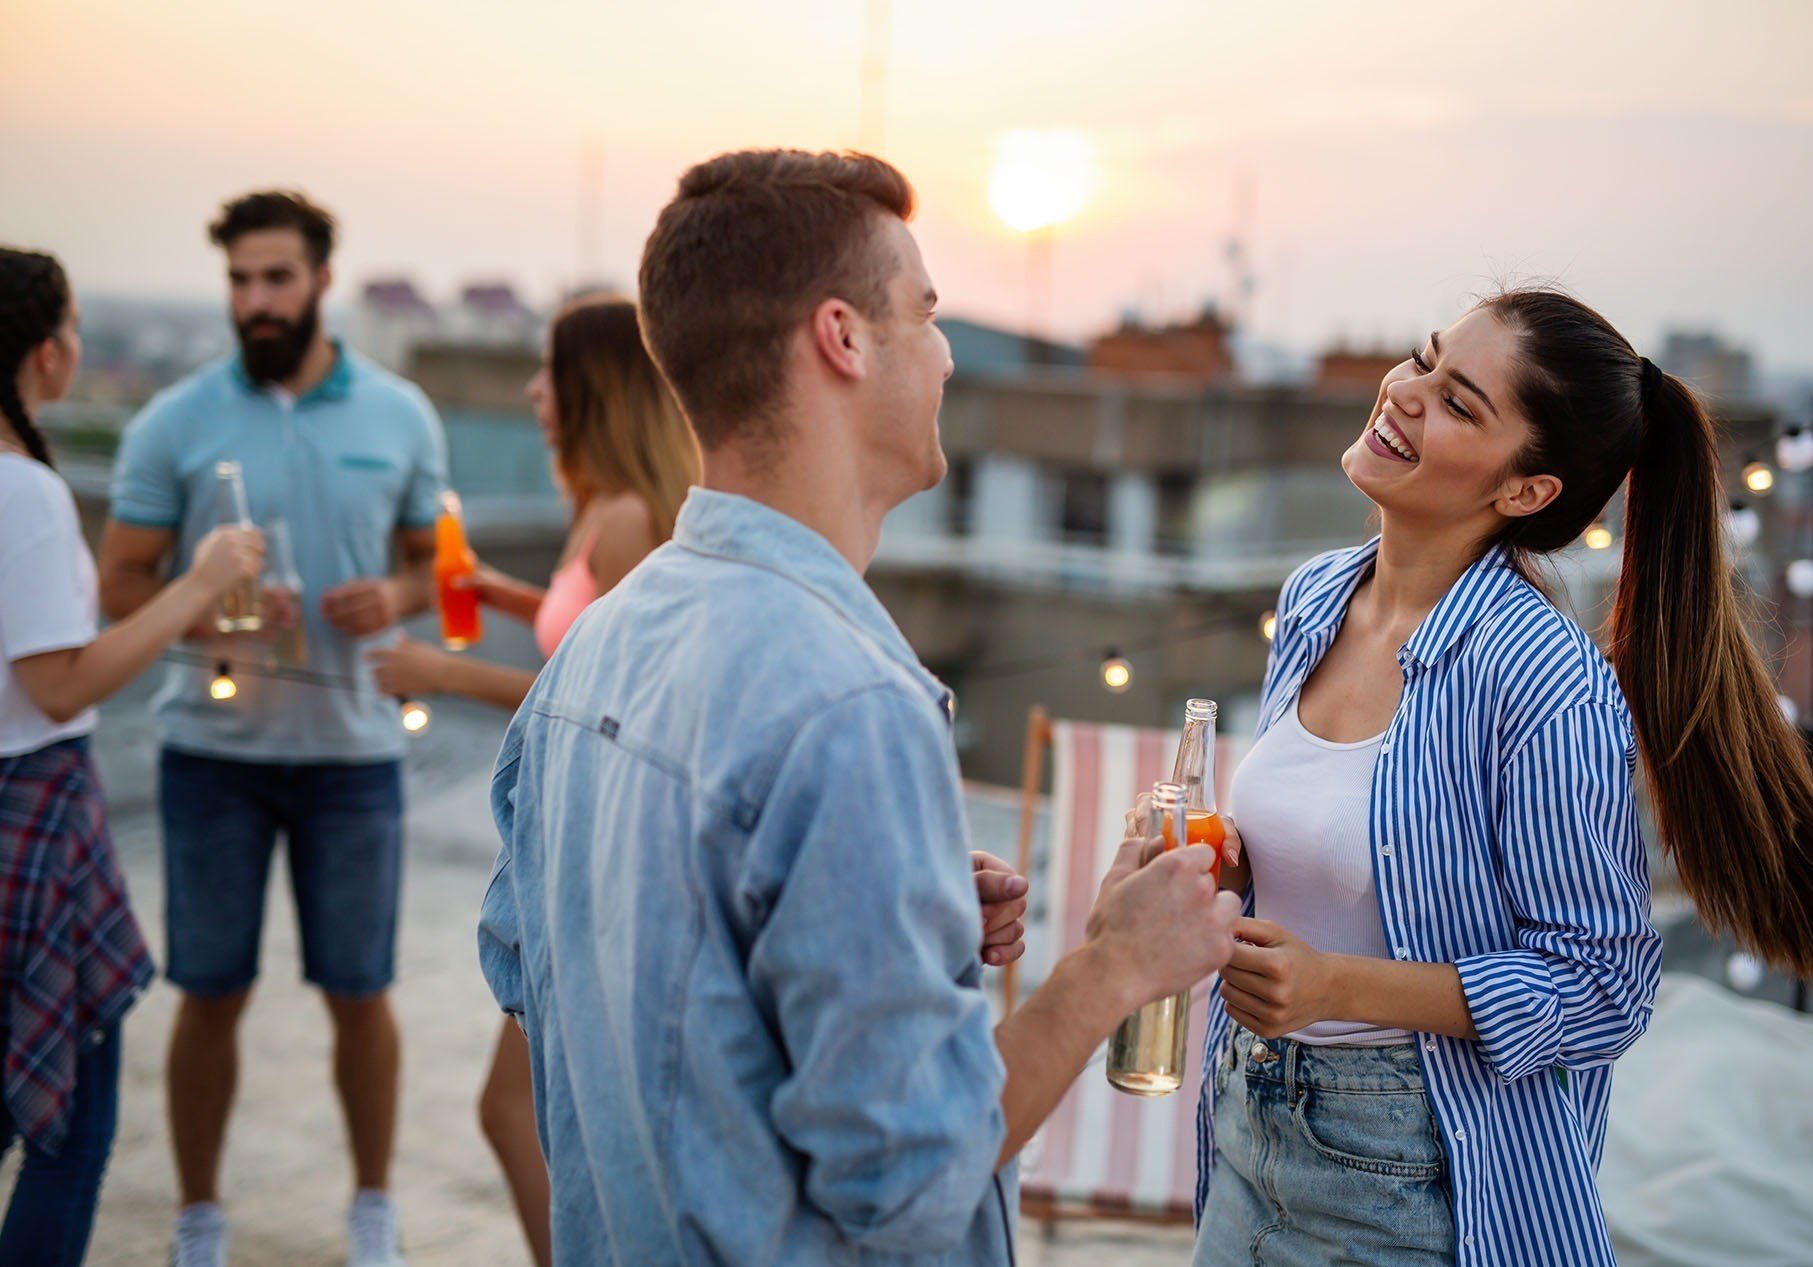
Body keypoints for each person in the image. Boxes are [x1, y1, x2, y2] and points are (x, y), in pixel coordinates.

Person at [477, 148, 1241, 1265]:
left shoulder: (603, 637)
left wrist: (885, 909)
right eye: (924, 315)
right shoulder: (846, 705)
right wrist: (1111, 968)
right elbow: (912, 1176)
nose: (941, 356)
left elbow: (539, 971)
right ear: (841, 337)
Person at [1188, 290, 1813, 1266]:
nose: (1404, 393)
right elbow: (1336, 860)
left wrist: (1335, 986)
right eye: (1422, 359)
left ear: (1524, 490)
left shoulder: (1541, 679)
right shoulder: (1315, 595)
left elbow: (1602, 984)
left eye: (1459, 403)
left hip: (1410, 1169)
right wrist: (1223, 875)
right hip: (1244, 1115)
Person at [96, 192, 449, 1267]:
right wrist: (216, 615)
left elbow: (437, 565)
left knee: (361, 993)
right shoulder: (175, 419)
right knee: (208, 990)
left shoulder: (401, 414)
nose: (256, 300)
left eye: (277, 278)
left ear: (321, 281)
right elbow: (120, 582)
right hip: (214, 759)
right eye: (240, 280)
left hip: (355, 758)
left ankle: (373, 1215)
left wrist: (393, 598)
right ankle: (199, 1220)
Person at [367, 293, 699, 1267]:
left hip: (606, 855)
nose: (532, 392)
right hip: (569, 850)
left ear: (597, 387)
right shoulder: (602, 507)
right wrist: (500, 594)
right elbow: (579, 634)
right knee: (537, 1111)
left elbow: (607, 703)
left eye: (549, 374)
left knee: (516, 1111)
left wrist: (444, 671)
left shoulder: (632, 519)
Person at [0, 247, 263, 1267]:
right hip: (30, 817)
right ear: (46, 351)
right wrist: (198, 587)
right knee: (70, 1133)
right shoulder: (21, 492)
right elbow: (58, 685)